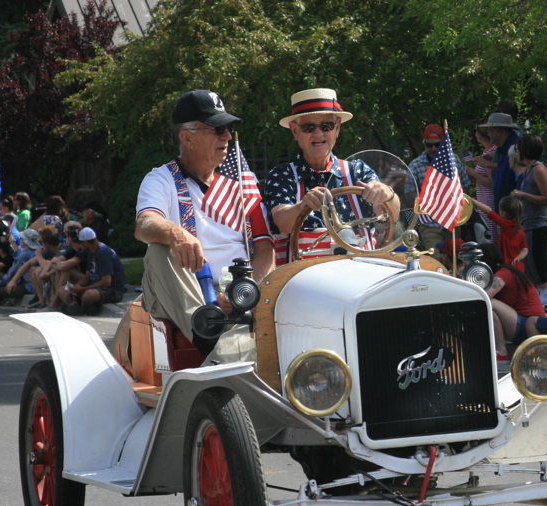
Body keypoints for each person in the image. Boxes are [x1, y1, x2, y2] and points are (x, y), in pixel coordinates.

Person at [135, 89, 273, 348]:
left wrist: (244, 292)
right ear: (187, 138)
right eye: (217, 129)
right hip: (185, 297)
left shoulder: (243, 183)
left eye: (229, 129)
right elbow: (144, 224)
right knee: (158, 251)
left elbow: (265, 246)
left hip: (239, 293)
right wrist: (177, 234)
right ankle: (210, 340)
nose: (227, 136)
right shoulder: (161, 179)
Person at [263, 87, 397, 265]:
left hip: (363, 275)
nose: (318, 134)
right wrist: (302, 206)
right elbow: (283, 223)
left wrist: (386, 194)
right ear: (295, 131)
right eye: (308, 127)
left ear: (337, 128)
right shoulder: (282, 175)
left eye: (326, 126)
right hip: (304, 281)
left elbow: (392, 216)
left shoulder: (358, 171)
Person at [406, 123, 472, 253]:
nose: (433, 148)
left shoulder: (454, 161)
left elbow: (465, 188)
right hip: (429, 224)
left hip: (452, 223)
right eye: (429, 145)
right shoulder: (415, 165)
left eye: (437, 144)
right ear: (424, 144)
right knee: (436, 261)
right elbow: (410, 196)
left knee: (455, 260)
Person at [480, 243, 545, 364]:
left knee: (487, 301)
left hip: (529, 326)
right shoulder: (505, 271)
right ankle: (501, 353)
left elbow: (484, 296)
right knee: (491, 311)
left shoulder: (503, 273)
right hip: (522, 324)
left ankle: (502, 353)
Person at [510, 133, 547, 285]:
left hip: (537, 226)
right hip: (527, 226)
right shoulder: (528, 170)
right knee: (529, 271)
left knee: (538, 273)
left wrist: (523, 194)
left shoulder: (539, 170)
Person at [64, 227, 125, 315]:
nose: (79, 246)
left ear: (85, 243)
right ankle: (72, 306)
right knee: (62, 290)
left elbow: (106, 282)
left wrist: (82, 289)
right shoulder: (91, 253)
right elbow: (87, 277)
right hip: (96, 286)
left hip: (112, 290)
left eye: (80, 243)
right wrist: (74, 287)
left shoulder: (103, 252)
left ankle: (83, 311)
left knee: (89, 294)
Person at [478, 113, 521, 214]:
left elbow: (517, 178)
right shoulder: (502, 149)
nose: (488, 134)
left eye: (489, 130)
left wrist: (486, 164)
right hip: (505, 211)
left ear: (497, 132)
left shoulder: (515, 148)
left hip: (512, 214)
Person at [471, 195, 527, 271]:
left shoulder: (504, 224)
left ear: (504, 213)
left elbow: (488, 211)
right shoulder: (521, 229)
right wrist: (518, 258)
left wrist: (473, 201)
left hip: (507, 266)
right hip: (518, 266)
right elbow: (525, 249)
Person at [465, 126, 498, 241]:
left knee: (490, 237)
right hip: (483, 200)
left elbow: (490, 182)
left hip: (489, 201)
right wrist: (475, 177)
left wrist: (473, 173)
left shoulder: (491, 153)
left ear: (481, 134)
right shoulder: (487, 152)